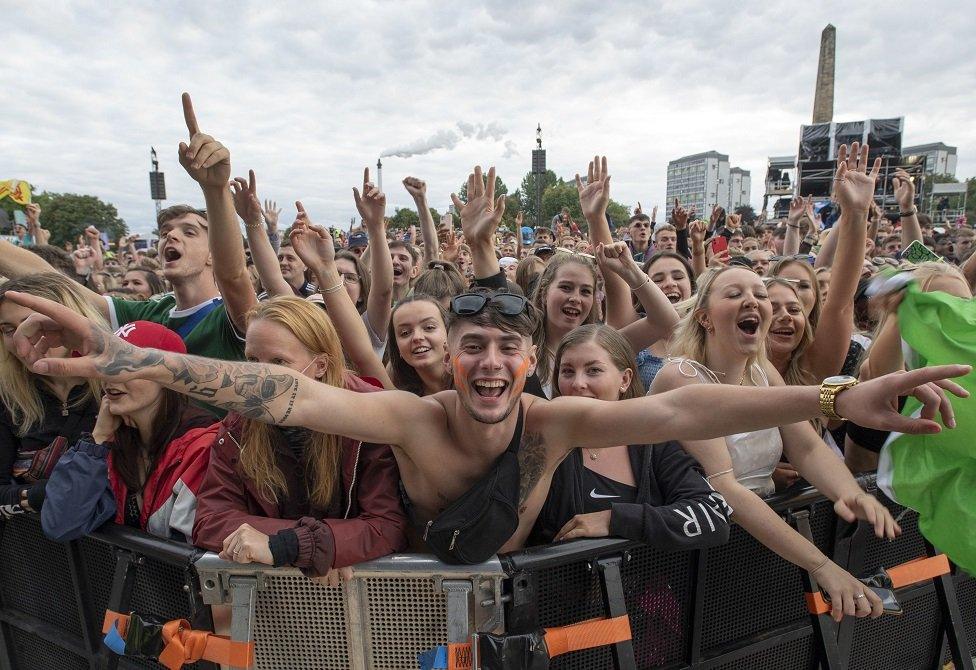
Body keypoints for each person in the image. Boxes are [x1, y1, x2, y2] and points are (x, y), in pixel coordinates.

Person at [191, 297, 406, 578]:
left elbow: (387, 525)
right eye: (252, 361)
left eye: (279, 362)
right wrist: (313, 548)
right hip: (280, 599)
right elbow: (211, 518)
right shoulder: (238, 424)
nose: (260, 377)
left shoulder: (371, 414)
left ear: (320, 365)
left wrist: (294, 546)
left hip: (374, 597)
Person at [533, 324, 731, 550]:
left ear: (625, 380)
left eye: (593, 370)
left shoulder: (654, 444)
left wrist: (617, 520)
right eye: (567, 371)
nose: (578, 383)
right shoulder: (538, 445)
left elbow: (713, 515)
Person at [40, 321, 217, 541]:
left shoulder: (204, 446)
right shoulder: (109, 444)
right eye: (105, 365)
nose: (110, 377)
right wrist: (97, 440)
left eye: (127, 366)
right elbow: (60, 524)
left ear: (168, 375)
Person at [0, 274, 104, 515]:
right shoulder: (7, 398)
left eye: (32, 324)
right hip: (34, 549)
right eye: (7, 330)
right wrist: (44, 495)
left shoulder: (118, 387)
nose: (19, 340)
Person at [387, 295, 451, 396]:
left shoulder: (472, 383)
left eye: (429, 327)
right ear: (397, 347)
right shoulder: (399, 398)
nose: (417, 337)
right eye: (405, 333)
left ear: (448, 332)